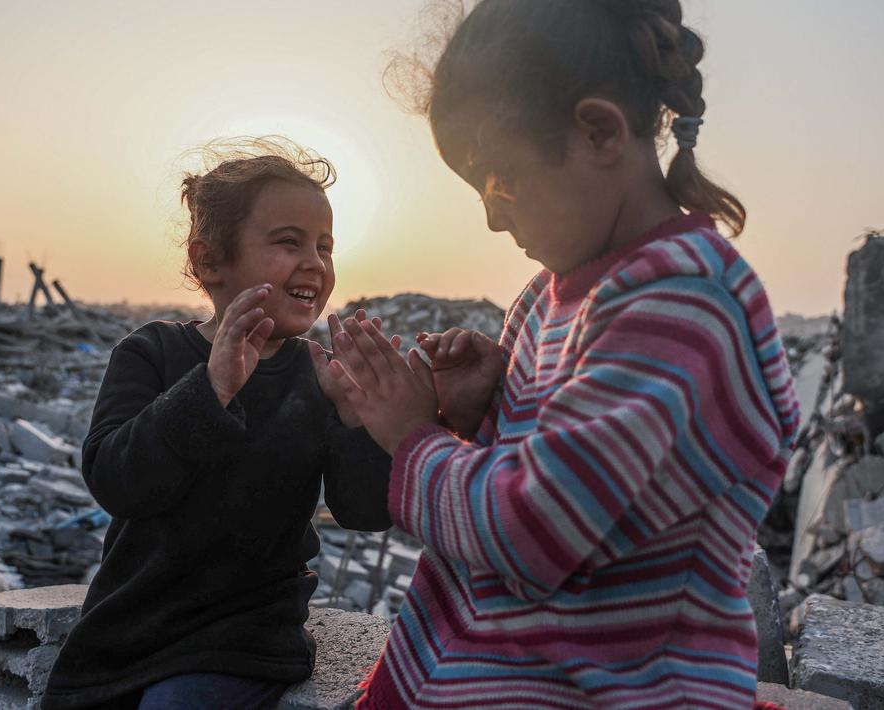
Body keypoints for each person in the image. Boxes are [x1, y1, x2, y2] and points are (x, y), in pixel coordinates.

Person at [322, 2, 801, 707]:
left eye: (499, 176)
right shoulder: (546, 297)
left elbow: (530, 532)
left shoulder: (683, 305)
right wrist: (477, 411)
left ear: (598, 131)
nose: (491, 214)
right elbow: (536, 471)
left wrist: (410, 436)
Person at [40, 139, 393, 710]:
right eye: (288, 242)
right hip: (131, 624)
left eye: (325, 247)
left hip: (245, 637)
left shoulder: (316, 376)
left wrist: (356, 419)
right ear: (210, 262)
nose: (315, 264)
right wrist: (212, 388)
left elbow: (364, 512)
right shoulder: (150, 353)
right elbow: (116, 480)